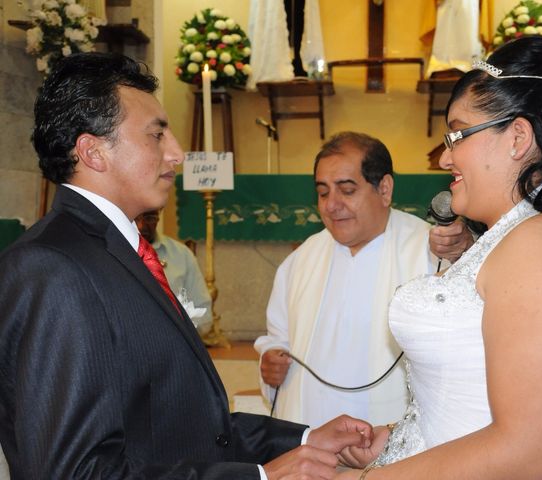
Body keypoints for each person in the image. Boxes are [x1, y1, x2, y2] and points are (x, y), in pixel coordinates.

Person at [0, 52, 374, 480]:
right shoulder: (54, 268)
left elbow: (180, 424)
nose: (177, 154)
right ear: (93, 151)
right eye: (157, 136)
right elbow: (73, 472)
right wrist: (262, 477)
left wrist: (305, 440)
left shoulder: (117, 251)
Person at [335, 36, 542, 479]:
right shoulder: (523, 237)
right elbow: (477, 402)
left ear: (517, 137)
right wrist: (404, 439)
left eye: (457, 135)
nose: (444, 157)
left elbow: (531, 452)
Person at [254, 132, 473, 428]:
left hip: (389, 449)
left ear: (384, 189)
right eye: (323, 192)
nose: (331, 205)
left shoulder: (430, 254)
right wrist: (269, 360)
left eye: (346, 190)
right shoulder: (301, 260)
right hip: (309, 443)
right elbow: (277, 337)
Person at [135, 209, 213, 335]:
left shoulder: (182, 254)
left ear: (158, 218)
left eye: (149, 218)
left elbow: (202, 310)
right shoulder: (113, 251)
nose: (142, 225)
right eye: (137, 218)